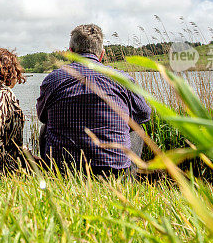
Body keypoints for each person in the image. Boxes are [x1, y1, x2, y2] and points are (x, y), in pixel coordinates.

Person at [36, 24, 151, 177]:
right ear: (101, 54)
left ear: (71, 52)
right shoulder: (123, 80)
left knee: (45, 128)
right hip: (112, 171)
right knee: (137, 129)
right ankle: (128, 177)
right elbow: (144, 115)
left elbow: (42, 116)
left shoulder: (53, 79)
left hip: (64, 169)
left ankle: (51, 173)